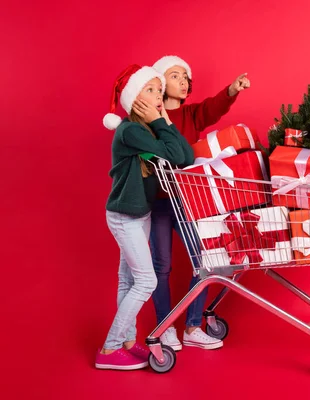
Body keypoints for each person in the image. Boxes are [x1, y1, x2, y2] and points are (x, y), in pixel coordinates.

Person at [149, 55, 250, 350]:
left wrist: (232, 89)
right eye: (175, 75)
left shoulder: (192, 114)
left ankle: (192, 327)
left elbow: (213, 108)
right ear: (159, 82)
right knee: (161, 267)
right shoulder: (148, 118)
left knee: (205, 262)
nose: (183, 81)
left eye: (185, 77)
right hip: (156, 203)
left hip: (188, 200)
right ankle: (165, 327)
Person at [96, 64, 194, 370]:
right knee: (146, 280)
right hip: (125, 217)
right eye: (151, 90)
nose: (158, 96)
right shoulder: (131, 130)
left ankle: (127, 341)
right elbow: (174, 156)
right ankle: (110, 349)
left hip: (140, 215)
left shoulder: (149, 128)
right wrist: (160, 121)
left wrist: (164, 121)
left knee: (127, 280)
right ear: (133, 98)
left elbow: (187, 157)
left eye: (159, 91)